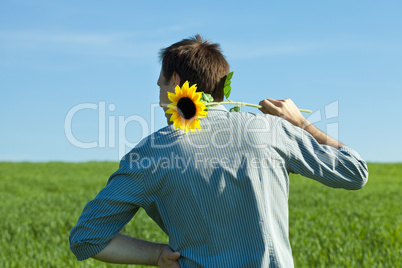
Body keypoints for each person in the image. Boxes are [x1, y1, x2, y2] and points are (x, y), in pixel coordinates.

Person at [69, 34, 368, 267]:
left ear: (175, 82)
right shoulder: (272, 132)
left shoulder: (150, 154)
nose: (160, 98)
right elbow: (356, 171)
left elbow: (85, 239)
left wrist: (158, 254)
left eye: (160, 85)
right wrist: (301, 123)